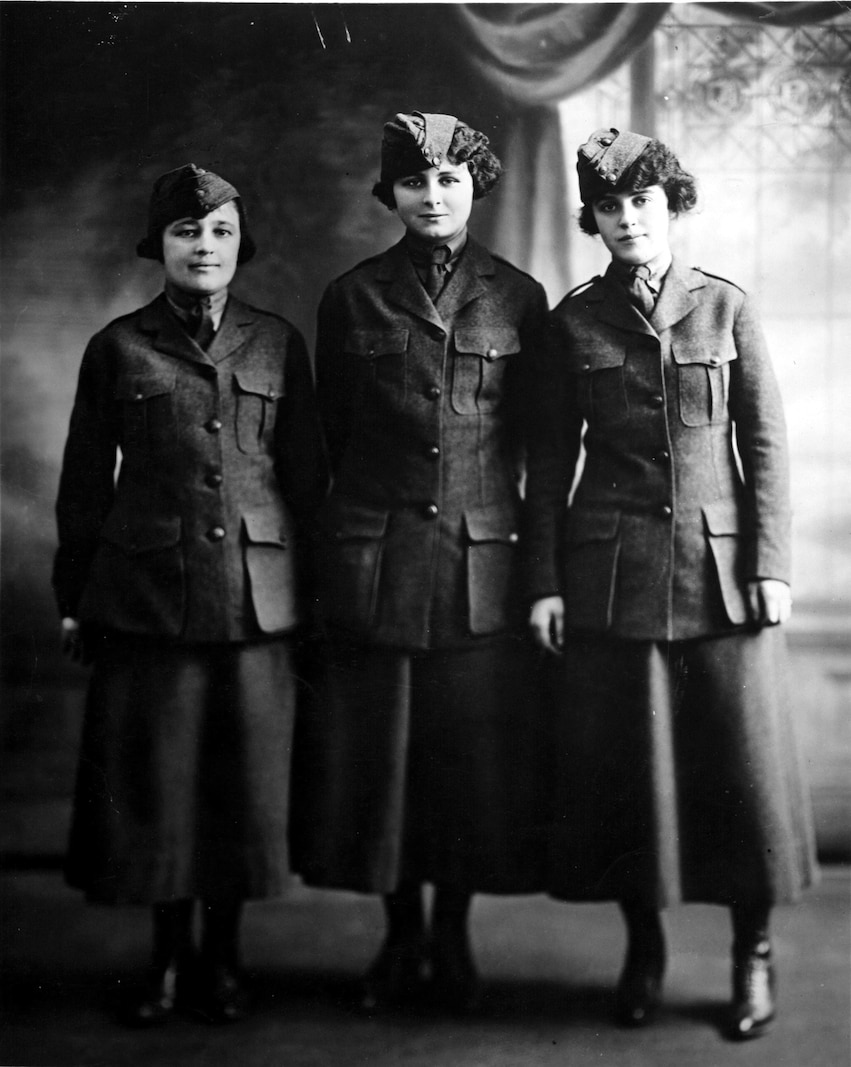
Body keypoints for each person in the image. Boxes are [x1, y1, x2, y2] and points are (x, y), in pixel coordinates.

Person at [524, 129, 817, 1040]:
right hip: (613, 577)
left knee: (742, 775)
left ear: (672, 207)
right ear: (594, 221)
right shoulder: (572, 321)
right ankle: (642, 949)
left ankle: (750, 955)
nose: (627, 220)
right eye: (609, 208)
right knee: (628, 779)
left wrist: (768, 561)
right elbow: (546, 461)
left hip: (720, 575)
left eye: (642, 203)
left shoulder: (724, 307)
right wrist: (543, 582)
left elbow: (763, 445)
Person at [53, 164, 328, 1026]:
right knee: (160, 783)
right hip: (148, 600)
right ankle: (167, 957)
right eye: (185, 232)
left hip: (258, 601)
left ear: (240, 246)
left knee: (242, 787)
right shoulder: (118, 346)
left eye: (219, 233)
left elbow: (307, 479)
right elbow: (84, 484)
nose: (203, 247)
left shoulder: (279, 342)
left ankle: (226, 955)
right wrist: (75, 595)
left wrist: (313, 599)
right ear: (158, 245)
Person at [290, 112, 550, 1012]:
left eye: (448, 179)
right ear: (390, 194)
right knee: (385, 762)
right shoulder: (351, 296)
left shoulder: (519, 296)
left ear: (474, 185)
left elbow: (537, 447)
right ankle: (400, 934)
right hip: (378, 557)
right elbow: (326, 441)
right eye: (413, 181)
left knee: (466, 764)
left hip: (481, 562)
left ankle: (453, 933)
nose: (432, 196)